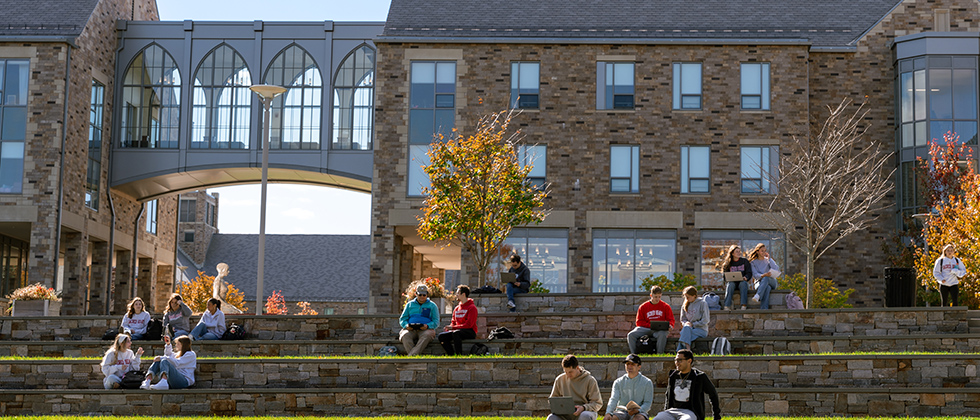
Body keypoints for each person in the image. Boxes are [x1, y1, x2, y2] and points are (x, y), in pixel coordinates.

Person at [652, 349, 721, 420]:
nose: (677, 363)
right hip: (672, 411)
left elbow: (713, 394)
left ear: (689, 361)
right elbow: (668, 395)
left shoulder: (699, 376)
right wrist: (666, 409)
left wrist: (716, 415)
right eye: (676, 360)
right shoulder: (673, 375)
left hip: (690, 412)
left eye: (680, 360)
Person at [548, 354, 603, 420]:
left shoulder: (590, 380)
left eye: (570, 372)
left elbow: (597, 403)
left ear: (577, 368)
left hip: (584, 412)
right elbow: (553, 399)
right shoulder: (560, 379)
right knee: (551, 418)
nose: (568, 375)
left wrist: (584, 408)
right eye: (566, 372)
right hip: (565, 414)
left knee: (585, 416)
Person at [604, 354, 654, 420]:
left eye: (632, 364)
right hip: (621, 412)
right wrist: (608, 413)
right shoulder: (618, 382)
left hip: (639, 412)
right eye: (627, 364)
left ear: (639, 367)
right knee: (612, 418)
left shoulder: (647, 382)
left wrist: (638, 410)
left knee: (639, 419)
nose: (629, 366)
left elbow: (647, 403)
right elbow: (613, 399)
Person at [627, 286, 675, 354]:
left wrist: (670, 325)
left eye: (659, 297)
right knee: (631, 335)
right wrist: (650, 325)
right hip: (646, 329)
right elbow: (639, 322)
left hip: (659, 330)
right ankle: (634, 354)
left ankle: (659, 354)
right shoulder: (643, 306)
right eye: (655, 297)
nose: (657, 299)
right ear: (651, 295)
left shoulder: (665, 306)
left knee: (663, 334)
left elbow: (671, 319)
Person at [398, 284, 440, 356]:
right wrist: (406, 325)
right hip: (411, 329)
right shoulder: (409, 305)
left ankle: (411, 356)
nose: (422, 297)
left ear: (427, 294)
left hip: (426, 329)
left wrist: (427, 326)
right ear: (416, 294)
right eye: (420, 295)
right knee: (404, 335)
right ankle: (414, 357)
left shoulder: (432, 305)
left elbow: (436, 321)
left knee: (427, 335)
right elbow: (403, 319)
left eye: (424, 295)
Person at [438, 285, 478, 356]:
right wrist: (449, 328)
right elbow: (453, 322)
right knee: (441, 336)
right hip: (457, 331)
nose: (456, 295)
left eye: (457, 293)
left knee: (456, 333)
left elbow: (469, 325)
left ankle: (459, 355)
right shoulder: (456, 308)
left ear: (463, 294)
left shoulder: (472, 308)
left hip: (469, 331)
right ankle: (451, 355)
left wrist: (453, 328)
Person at [747, 244, 780, 310]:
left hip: (772, 281)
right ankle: (764, 310)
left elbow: (776, 269)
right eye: (762, 251)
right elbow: (755, 275)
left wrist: (770, 259)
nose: (764, 252)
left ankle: (758, 295)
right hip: (759, 283)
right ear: (757, 252)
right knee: (767, 288)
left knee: (766, 278)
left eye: (765, 251)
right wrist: (763, 275)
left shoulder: (768, 260)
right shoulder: (753, 263)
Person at [719, 245, 752, 310]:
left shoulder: (745, 261)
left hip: (742, 282)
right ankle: (727, 306)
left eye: (739, 251)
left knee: (743, 283)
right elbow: (725, 276)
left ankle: (744, 305)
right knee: (730, 284)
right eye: (737, 252)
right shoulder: (728, 263)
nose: (739, 253)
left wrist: (746, 277)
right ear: (732, 253)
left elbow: (749, 272)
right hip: (732, 283)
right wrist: (728, 278)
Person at [677, 286, 709, 352]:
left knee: (684, 334)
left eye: (688, 297)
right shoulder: (685, 304)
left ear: (694, 296)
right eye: (685, 297)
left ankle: (681, 350)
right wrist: (687, 324)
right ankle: (687, 349)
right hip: (688, 328)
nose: (686, 298)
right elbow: (683, 319)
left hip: (701, 329)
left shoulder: (702, 303)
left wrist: (693, 324)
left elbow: (706, 320)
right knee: (686, 329)